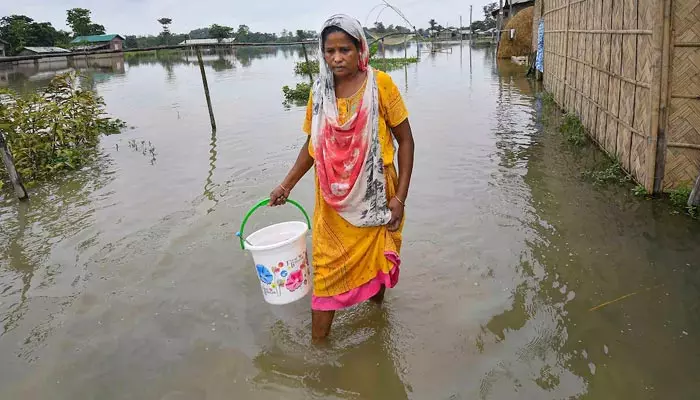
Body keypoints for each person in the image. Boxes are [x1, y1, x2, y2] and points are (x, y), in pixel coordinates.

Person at [270, 14, 415, 341]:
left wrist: (400, 198)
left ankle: (379, 328)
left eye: (345, 50)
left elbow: (406, 140)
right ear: (322, 53)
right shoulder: (319, 92)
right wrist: (286, 184)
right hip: (333, 203)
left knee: (377, 263)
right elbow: (313, 146)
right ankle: (318, 350)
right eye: (330, 50)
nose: (337, 58)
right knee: (325, 272)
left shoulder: (381, 86)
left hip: (378, 197)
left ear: (360, 49)